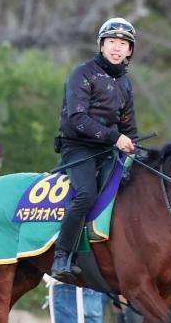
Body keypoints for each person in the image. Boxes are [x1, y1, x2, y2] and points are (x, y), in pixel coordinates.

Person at [51, 17, 138, 280]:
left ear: (129, 50)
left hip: (109, 150)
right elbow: (77, 119)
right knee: (86, 194)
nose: (116, 47)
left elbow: (129, 128)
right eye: (111, 41)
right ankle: (61, 256)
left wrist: (137, 151)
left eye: (123, 43)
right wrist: (115, 138)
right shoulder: (82, 73)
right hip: (78, 147)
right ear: (101, 45)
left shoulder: (125, 84)